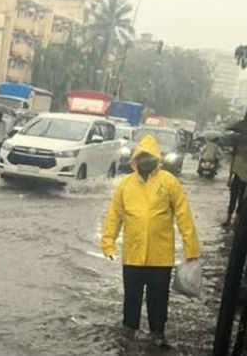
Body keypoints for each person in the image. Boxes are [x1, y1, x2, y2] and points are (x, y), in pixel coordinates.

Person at [101, 134, 200, 347]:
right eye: (142, 157)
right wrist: (108, 242)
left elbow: (183, 214)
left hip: (160, 256)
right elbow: (114, 214)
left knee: (159, 298)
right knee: (132, 297)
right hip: (133, 253)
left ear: (157, 158)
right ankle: (129, 331)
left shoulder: (169, 182)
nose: (145, 161)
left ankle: (157, 332)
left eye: (149, 157)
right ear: (135, 159)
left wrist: (191, 249)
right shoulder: (126, 184)